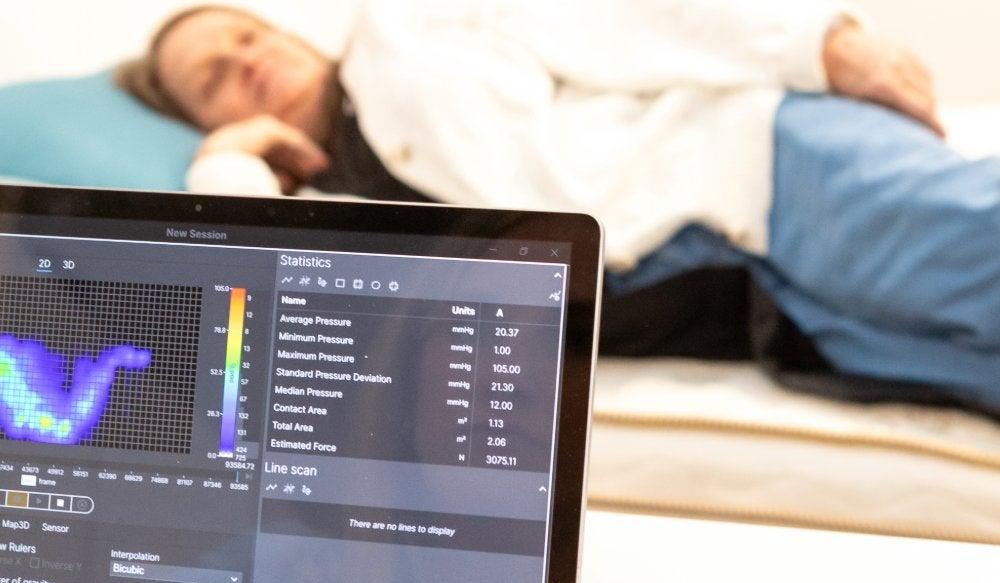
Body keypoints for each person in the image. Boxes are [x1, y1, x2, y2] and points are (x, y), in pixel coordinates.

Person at [117, 2, 1000, 416]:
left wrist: (823, 44)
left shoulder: (409, 30)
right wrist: (226, 164)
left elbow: (617, 20)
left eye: (245, 34)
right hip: (765, 310)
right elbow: (226, 318)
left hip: (763, 173)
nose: (246, 60)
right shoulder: (322, 223)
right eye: (214, 80)